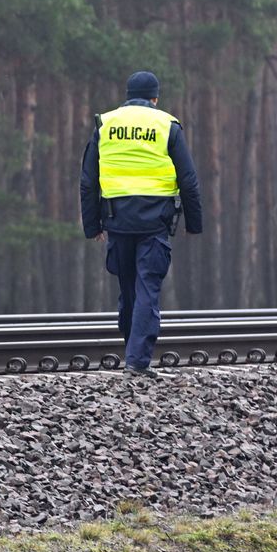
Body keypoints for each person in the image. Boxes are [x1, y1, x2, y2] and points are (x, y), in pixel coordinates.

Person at [80, 71, 202, 379]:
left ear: (127, 95)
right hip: (154, 222)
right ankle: (137, 361)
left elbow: (87, 181)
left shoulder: (106, 125)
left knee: (128, 289)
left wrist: (92, 225)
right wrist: (194, 222)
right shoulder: (167, 125)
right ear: (155, 98)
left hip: (117, 220)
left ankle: (131, 353)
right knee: (148, 287)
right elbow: (188, 180)